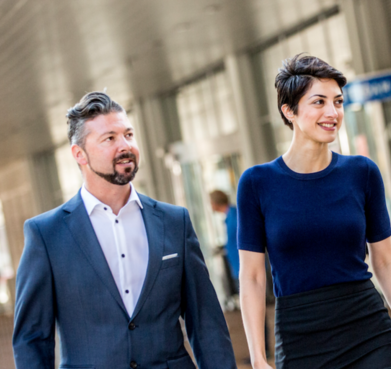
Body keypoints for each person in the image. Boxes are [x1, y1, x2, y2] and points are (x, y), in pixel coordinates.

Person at [12, 92, 237, 369]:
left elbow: (206, 321)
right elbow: (31, 338)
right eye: (110, 138)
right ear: (79, 154)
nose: (125, 145)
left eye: (128, 135)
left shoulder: (174, 221)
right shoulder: (46, 235)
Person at [237, 54, 391, 369]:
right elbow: (253, 276)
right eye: (318, 102)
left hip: (369, 331)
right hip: (300, 335)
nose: (332, 112)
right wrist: (258, 358)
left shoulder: (362, 172)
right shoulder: (257, 183)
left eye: (338, 102)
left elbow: (385, 259)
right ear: (289, 111)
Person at [210, 190, 240, 295]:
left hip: (243, 266)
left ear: (216, 202)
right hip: (237, 266)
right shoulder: (229, 216)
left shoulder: (235, 215)